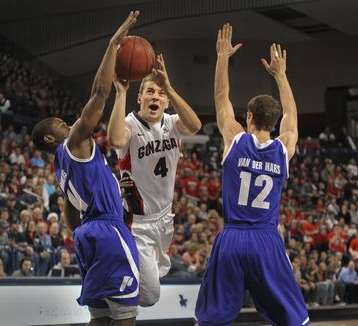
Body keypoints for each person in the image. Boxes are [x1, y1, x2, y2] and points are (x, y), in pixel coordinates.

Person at [195, 24, 309, 326]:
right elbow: (293, 117)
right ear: (274, 123)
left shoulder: (235, 139)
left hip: (232, 237)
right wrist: (281, 76)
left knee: (211, 320)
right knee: (292, 319)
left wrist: (222, 58)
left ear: (249, 118)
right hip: (266, 239)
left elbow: (221, 97)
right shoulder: (283, 147)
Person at [31, 11, 140, 326]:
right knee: (125, 315)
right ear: (51, 137)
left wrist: (76, 231)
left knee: (100, 316)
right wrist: (113, 45)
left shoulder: (60, 166)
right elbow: (99, 94)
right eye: (59, 123)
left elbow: (67, 206)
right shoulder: (74, 143)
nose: (66, 122)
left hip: (88, 235)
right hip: (108, 230)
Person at [107, 51, 201, 306]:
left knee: (158, 276)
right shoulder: (129, 124)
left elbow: (195, 126)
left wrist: (168, 86)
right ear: (140, 98)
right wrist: (121, 92)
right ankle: (109, 292)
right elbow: (115, 139)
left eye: (160, 94)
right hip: (137, 222)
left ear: (166, 101)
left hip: (164, 218)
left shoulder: (172, 123)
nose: (155, 97)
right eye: (149, 92)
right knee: (150, 297)